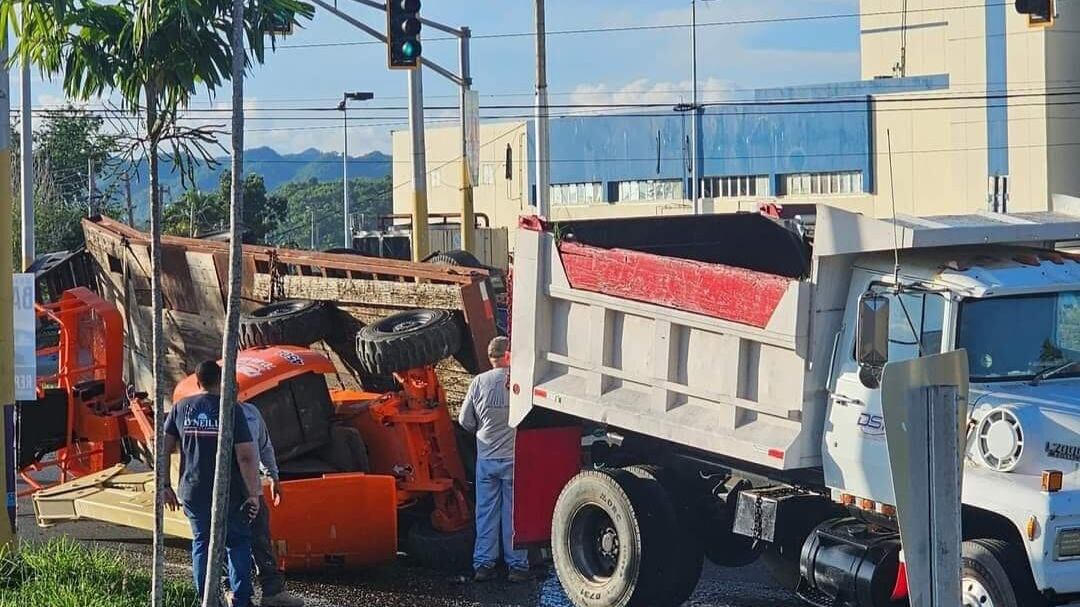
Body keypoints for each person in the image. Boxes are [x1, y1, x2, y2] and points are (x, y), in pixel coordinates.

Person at [163, 361, 262, 607]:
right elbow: (246, 456)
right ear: (223, 380)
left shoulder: (181, 408)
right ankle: (240, 599)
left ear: (197, 382)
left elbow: (162, 448)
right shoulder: (232, 410)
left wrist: (164, 485)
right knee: (237, 542)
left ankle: (207, 599)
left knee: (202, 543)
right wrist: (253, 494)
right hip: (229, 491)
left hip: (193, 490)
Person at [458, 336, 531, 583]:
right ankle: (517, 566)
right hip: (513, 458)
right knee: (513, 513)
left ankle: (484, 565)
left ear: (491, 358)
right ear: (508, 356)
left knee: (486, 512)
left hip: (487, 458)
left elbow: (464, 421)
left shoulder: (479, 382)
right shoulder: (519, 382)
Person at [238, 401, 304, 607]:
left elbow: (264, 446)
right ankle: (234, 592)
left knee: (261, 539)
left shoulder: (250, 412)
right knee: (230, 543)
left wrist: (273, 476)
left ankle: (273, 592)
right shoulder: (211, 413)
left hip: (252, 489)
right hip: (225, 491)